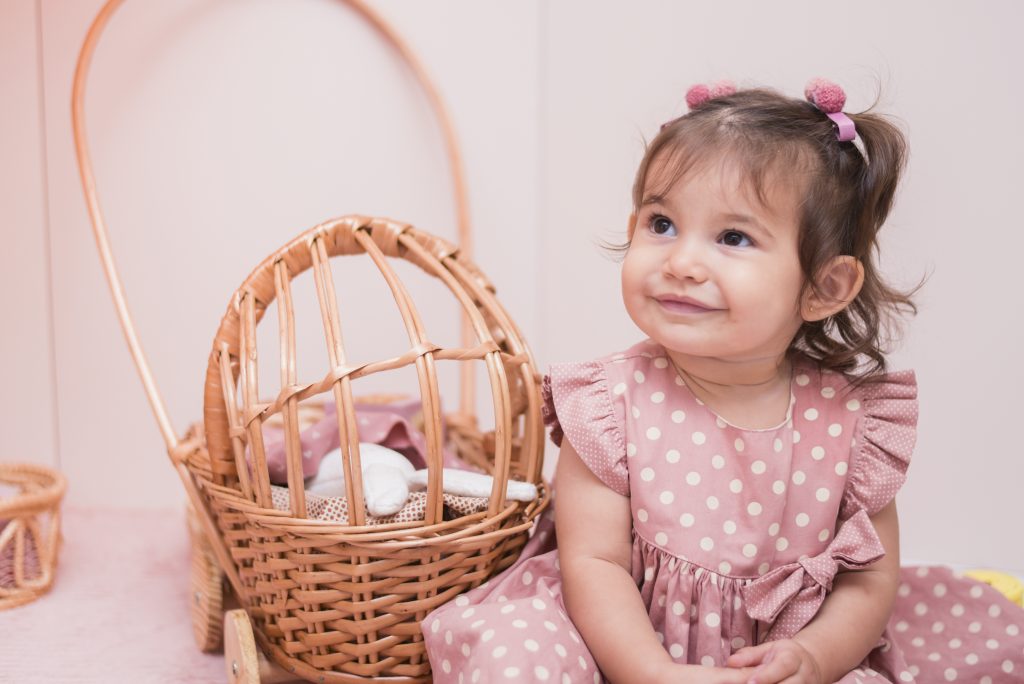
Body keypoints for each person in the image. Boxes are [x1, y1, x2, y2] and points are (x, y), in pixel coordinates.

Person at [422, 80, 1024, 683]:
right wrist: (651, 672)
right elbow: (593, 563)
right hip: (615, 642)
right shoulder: (609, 405)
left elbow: (869, 580)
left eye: (732, 238)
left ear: (823, 288)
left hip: (777, 658)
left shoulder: (853, 427)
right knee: (518, 651)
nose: (681, 262)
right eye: (661, 224)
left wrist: (815, 657)